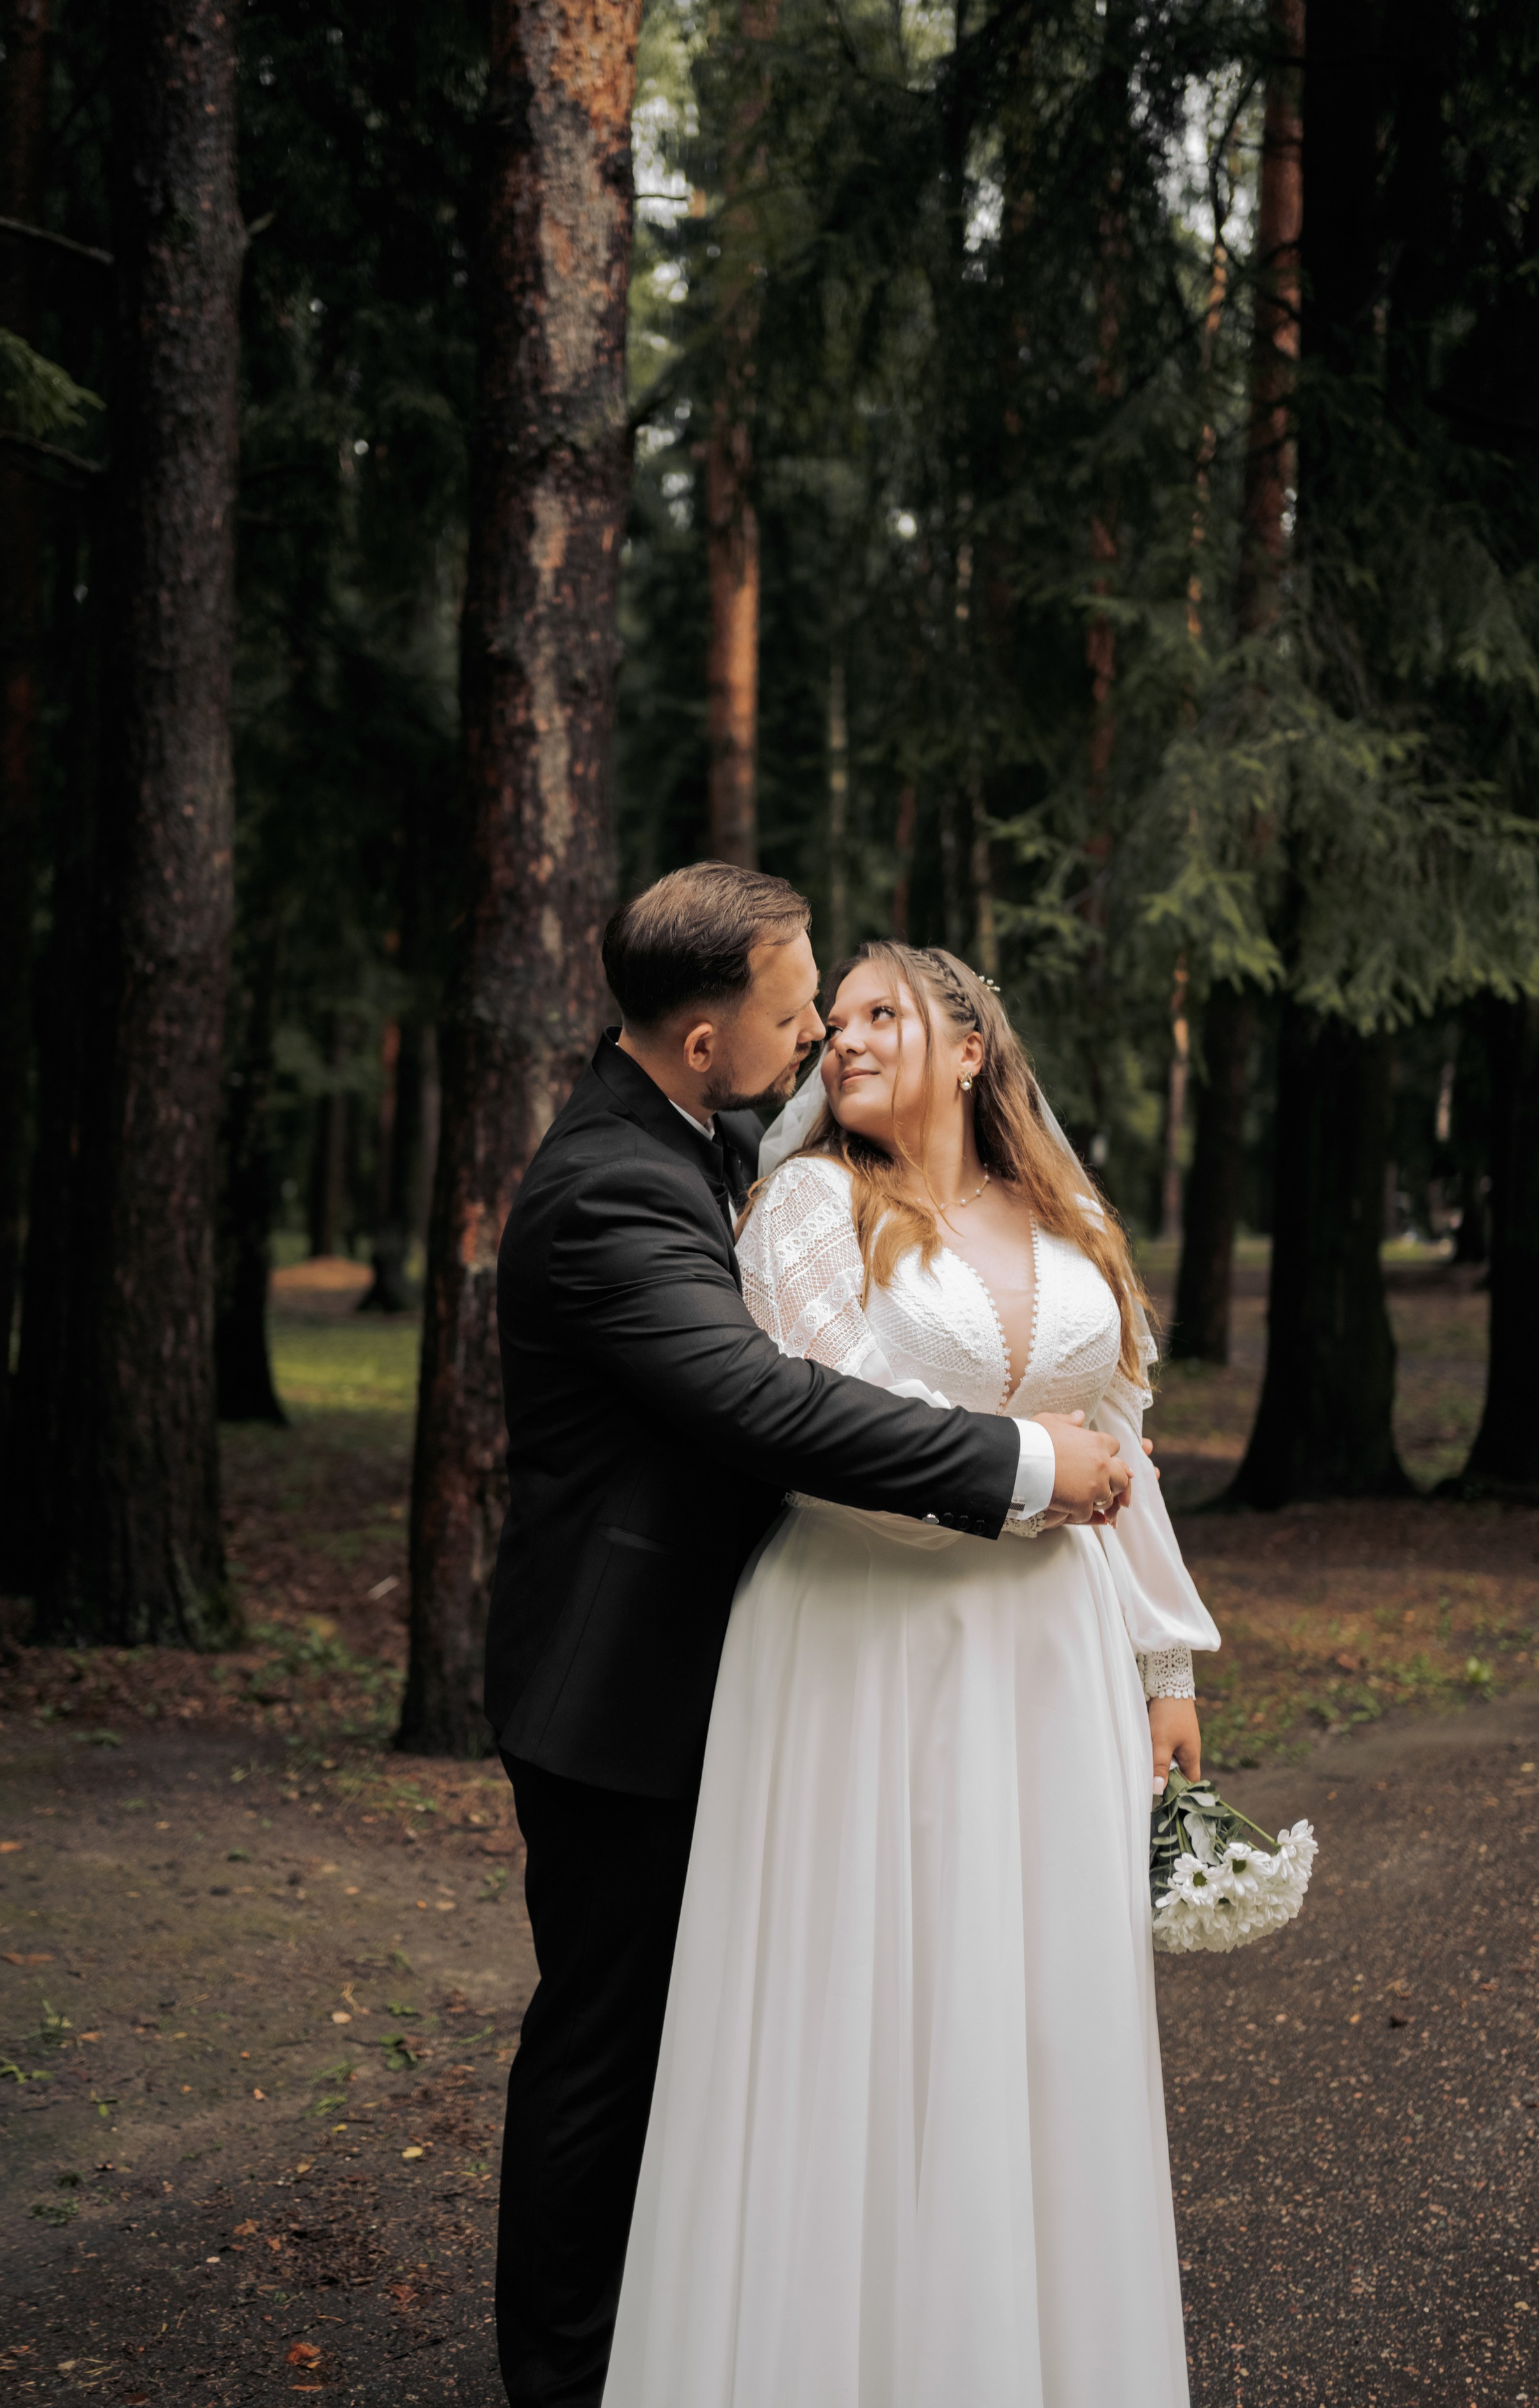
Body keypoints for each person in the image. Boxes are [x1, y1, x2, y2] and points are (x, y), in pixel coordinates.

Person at [485, 867, 1131, 2408]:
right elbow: (762, 1404)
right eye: (794, 1013)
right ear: (706, 1043)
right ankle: (568, 2380)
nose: (815, 1037)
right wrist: (1029, 1466)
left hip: (744, 1672)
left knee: (733, 2034)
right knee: (610, 2052)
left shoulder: (689, 1138)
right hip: (619, 1684)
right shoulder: (605, 1190)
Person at [601, 939, 1219, 2408]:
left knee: (1037, 2018)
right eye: (834, 1023)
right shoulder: (806, 1212)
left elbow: (1117, 1453)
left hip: (1048, 1666)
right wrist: (1032, 1484)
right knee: (867, 2011)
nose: (842, 1040)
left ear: (968, 1051)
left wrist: (1162, 1660)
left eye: (883, 1014)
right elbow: (829, 1445)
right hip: (863, 1649)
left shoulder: (1061, 1216)